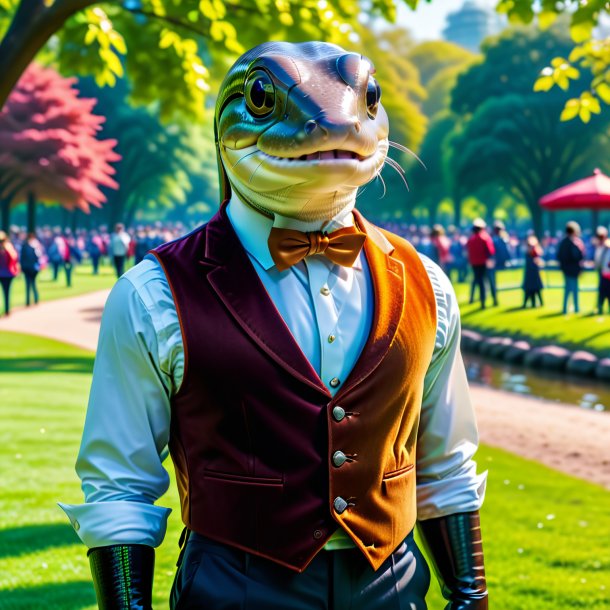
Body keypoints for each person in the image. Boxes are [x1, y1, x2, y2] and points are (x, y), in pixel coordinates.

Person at [61, 42, 488, 610]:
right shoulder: (153, 294)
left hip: (393, 587)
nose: (334, 125)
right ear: (223, 125)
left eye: (367, 99)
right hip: (233, 589)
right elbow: (119, 481)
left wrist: (470, 592)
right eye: (264, 98)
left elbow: (445, 460)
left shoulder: (426, 283)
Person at [466, 218, 496, 309]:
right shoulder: (485, 238)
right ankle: (493, 300)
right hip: (484, 263)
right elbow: (491, 251)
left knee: (478, 282)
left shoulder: (470, 240)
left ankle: (479, 301)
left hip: (474, 264)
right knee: (489, 281)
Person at [557, 221, 585, 314]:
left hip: (566, 270)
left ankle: (565, 308)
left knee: (568, 289)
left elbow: (559, 256)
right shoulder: (574, 243)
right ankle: (576, 308)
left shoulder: (562, 243)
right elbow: (577, 257)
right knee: (574, 289)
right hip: (573, 270)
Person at [19, 232, 44, 306]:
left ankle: (28, 301)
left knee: (28, 284)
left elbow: (22, 258)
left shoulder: (25, 246)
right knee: (33, 284)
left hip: (27, 268)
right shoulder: (35, 247)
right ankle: (35, 299)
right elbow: (38, 258)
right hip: (33, 268)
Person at [522, 234, 544, 308]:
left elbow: (539, 263)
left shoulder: (536, 253)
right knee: (529, 290)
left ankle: (539, 303)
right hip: (530, 275)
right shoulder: (528, 253)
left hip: (534, 275)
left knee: (536, 290)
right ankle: (528, 303)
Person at [0, 231, 19, 316]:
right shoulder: (9, 248)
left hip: (2, 273)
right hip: (8, 273)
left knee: (5, 291)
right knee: (7, 291)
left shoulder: (7, 248)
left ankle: (7, 308)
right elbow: (14, 259)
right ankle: (7, 309)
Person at [593, 226, 610, 315]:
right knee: (602, 291)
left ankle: (602, 307)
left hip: (606, 273)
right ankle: (600, 307)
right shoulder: (599, 246)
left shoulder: (607, 245)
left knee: (606, 291)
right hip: (602, 272)